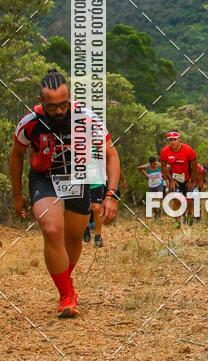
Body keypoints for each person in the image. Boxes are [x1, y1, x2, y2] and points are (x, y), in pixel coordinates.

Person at [10, 67, 120, 317]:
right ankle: (66, 296)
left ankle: (66, 282)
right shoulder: (30, 123)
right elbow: (16, 156)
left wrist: (111, 194)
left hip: (79, 178)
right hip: (45, 179)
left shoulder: (86, 117)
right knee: (51, 229)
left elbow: (111, 154)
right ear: (41, 103)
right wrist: (17, 195)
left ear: (70, 98)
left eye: (63, 104)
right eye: (52, 106)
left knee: (73, 237)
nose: (59, 110)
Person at [159, 131, 204, 223]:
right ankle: (177, 221)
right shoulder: (164, 151)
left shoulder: (188, 150)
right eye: (170, 140)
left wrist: (192, 180)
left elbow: (194, 166)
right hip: (175, 179)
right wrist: (170, 180)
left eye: (174, 139)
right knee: (176, 199)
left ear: (179, 139)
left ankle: (190, 215)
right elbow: (163, 166)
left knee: (189, 200)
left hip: (188, 179)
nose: (172, 142)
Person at [86, 170, 126, 247]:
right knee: (85, 207)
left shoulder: (104, 158)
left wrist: (122, 180)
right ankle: (85, 227)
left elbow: (117, 168)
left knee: (97, 208)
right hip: (81, 181)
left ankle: (98, 237)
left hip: (97, 182)